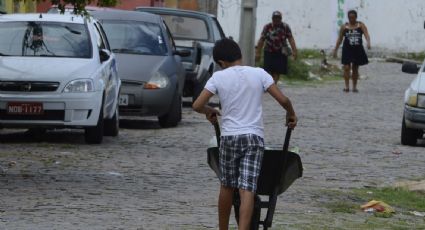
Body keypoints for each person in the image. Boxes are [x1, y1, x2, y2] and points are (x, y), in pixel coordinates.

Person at [192, 38, 297, 230]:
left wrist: (210, 111)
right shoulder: (259, 74)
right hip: (253, 138)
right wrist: (291, 113)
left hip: (229, 138)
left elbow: (197, 105)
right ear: (239, 55)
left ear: (221, 62)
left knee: (226, 186)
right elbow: (283, 99)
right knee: (247, 188)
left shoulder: (218, 77)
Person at [333, 9, 371, 93]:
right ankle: (346, 86)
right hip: (347, 49)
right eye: (350, 18)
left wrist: (368, 42)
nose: (351, 19)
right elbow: (340, 39)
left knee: (355, 68)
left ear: (356, 17)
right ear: (348, 18)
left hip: (357, 49)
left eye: (353, 18)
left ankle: (354, 86)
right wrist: (335, 50)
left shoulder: (360, 25)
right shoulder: (344, 27)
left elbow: (366, 34)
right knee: (346, 67)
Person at [255, 11, 298, 84]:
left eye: (278, 18)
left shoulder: (285, 27)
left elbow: (291, 39)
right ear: (272, 18)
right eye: (275, 18)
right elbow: (261, 40)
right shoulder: (267, 27)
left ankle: (273, 85)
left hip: (281, 52)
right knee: (268, 70)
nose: (276, 20)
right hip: (269, 51)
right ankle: (269, 84)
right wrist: (258, 53)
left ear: (281, 19)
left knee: (277, 71)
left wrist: (294, 51)